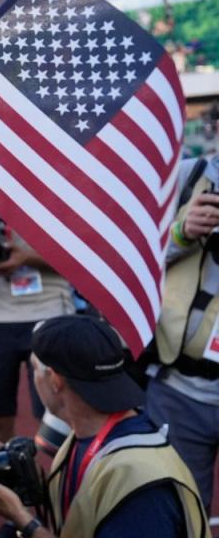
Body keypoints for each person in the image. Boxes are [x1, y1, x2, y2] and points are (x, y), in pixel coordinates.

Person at [0, 315, 207, 538]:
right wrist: (37, 488)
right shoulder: (88, 434)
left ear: (55, 380)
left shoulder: (138, 481)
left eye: (35, 369)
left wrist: (23, 520)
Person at [0, 187, 75, 444]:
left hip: (51, 310)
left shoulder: (61, 174)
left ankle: (59, 483)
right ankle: (2, 480)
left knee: (59, 420)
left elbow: (82, 252)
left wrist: (27, 258)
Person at [146, 151, 219, 514]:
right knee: (182, 508)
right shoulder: (188, 177)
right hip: (180, 387)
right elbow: (135, 254)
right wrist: (181, 232)